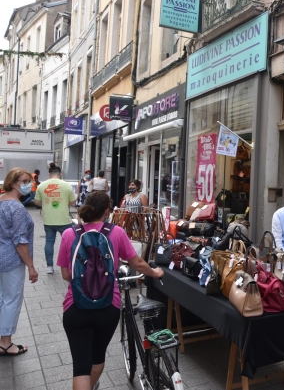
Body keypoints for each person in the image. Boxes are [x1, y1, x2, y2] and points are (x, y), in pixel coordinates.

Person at [57, 191, 164, 390]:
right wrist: (155, 273)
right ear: (107, 211)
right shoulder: (116, 232)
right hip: (108, 306)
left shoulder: (69, 234)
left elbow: (65, 275)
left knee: (80, 367)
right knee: (97, 359)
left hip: (75, 307)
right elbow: (138, 263)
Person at [0, 168, 38, 356]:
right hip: (12, 260)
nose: (28, 185)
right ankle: (6, 343)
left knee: (1, 298)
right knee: (12, 299)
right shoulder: (16, 208)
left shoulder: (1, 202)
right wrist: (31, 266)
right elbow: (20, 241)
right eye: (24, 181)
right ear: (13, 183)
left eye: (29, 181)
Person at [34, 163, 77, 274]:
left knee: (49, 242)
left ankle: (49, 267)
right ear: (60, 174)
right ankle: (70, 264)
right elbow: (73, 202)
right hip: (64, 220)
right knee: (70, 242)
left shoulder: (42, 186)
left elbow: (37, 202)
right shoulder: (66, 185)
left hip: (48, 219)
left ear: (49, 174)